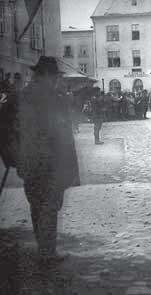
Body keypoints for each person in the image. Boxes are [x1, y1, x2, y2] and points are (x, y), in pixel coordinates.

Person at [16, 56, 79, 265]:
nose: (55, 80)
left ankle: (43, 249)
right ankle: (47, 252)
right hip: (49, 161)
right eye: (53, 76)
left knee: (36, 205)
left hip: (29, 161)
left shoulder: (22, 95)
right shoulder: (51, 98)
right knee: (50, 207)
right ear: (46, 76)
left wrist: (15, 156)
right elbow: (60, 131)